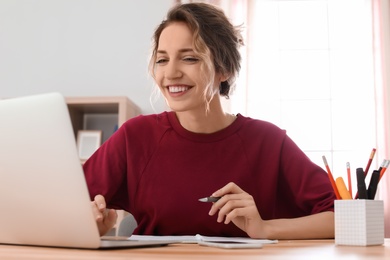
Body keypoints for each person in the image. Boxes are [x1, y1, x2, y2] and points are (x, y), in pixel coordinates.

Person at [85, 2, 335, 240]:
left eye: (190, 58)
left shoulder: (268, 141)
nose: (170, 73)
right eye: (162, 60)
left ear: (223, 68)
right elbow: (62, 206)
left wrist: (264, 228)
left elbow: (340, 217)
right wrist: (88, 223)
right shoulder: (135, 136)